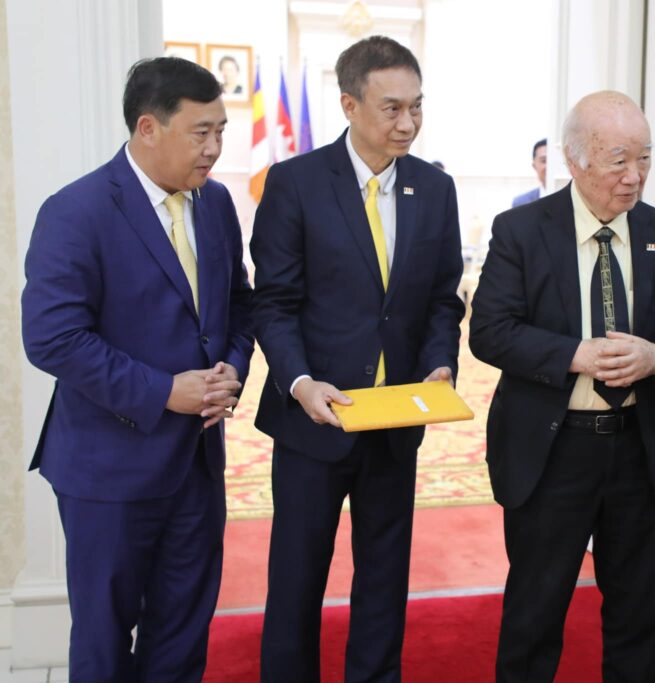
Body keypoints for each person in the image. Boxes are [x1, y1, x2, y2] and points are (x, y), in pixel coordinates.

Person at [470, 91, 655, 683]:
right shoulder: (521, 231)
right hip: (552, 450)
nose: (634, 176)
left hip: (640, 447)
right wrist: (574, 355)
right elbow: (490, 332)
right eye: (618, 160)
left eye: (644, 158)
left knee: (637, 615)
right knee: (534, 614)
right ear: (574, 160)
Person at [21, 57, 254, 680]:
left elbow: (240, 304)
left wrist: (231, 370)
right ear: (148, 128)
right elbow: (52, 338)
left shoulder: (216, 203)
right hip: (108, 469)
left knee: (182, 633)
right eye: (201, 132)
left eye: (221, 131)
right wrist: (163, 392)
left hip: (197, 465)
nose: (215, 148)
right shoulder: (76, 210)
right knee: (104, 640)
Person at [251, 35, 464, 682]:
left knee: (384, 578)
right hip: (314, 421)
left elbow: (442, 298)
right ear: (349, 104)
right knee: (297, 581)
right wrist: (299, 381)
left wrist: (439, 363)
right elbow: (274, 303)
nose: (408, 123)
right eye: (391, 108)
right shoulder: (295, 183)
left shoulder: (435, 188)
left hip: (395, 421)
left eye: (417, 107)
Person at [511, 137, 547, 207]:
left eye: (553, 160)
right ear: (534, 166)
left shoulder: (569, 199)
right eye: (544, 161)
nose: (549, 166)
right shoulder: (521, 203)